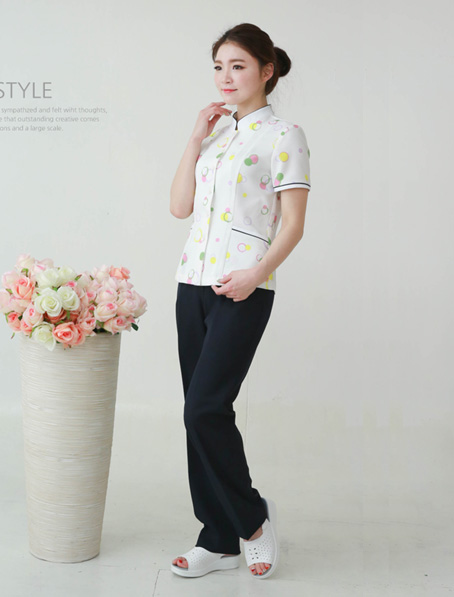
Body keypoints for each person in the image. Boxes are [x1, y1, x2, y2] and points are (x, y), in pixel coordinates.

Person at [169, 22, 311, 579]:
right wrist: (193, 138)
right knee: (197, 413)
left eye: (238, 66)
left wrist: (256, 274)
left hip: (243, 286)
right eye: (218, 67)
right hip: (191, 283)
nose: (225, 77)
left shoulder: (284, 135)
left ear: (266, 71)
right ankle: (217, 536)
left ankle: (251, 521)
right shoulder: (214, 137)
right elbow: (180, 207)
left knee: (205, 408)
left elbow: (293, 224)